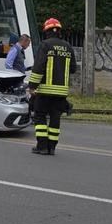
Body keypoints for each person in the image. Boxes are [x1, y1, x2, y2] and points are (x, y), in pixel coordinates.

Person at [27, 18, 78, 155]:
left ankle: (42, 146)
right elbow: (73, 68)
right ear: (59, 31)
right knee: (55, 118)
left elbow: (38, 68)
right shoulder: (67, 46)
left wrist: (32, 86)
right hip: (61, 92)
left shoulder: (45, 45)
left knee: (40, 116)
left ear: (47, 31)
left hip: (44, 91)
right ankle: (52, 148)